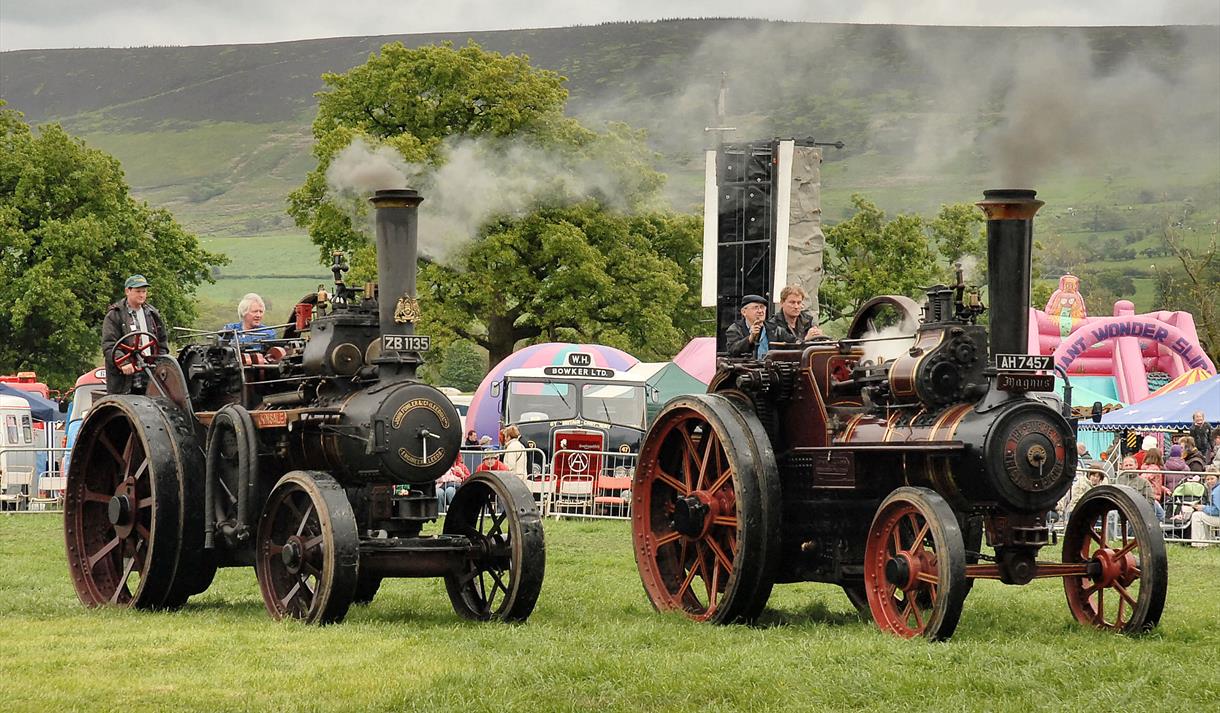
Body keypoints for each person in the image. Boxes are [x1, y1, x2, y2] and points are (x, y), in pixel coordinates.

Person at [102, 274, 169, 395]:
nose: (142, 295)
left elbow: (162, 342)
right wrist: (123, 363)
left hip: (150, 371)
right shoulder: (115, 315)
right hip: (125, 378)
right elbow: (109, 345)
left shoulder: (153, 314)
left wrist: (160, 363)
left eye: (144, 291)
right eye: (138, 291)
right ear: (127, 291)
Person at [1115, 456, 1160, 520]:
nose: (1128, 467)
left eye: (1130, 465)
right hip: (1120, 510)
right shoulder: (1118, 480)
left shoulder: (1144, 482)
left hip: (1137, 512)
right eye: (1126, 465)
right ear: (1122, 467)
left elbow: (1150, 500)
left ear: (1136, 465)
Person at [1188, 470, 1220, 547]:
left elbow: (1217, 511)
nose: (1209, 481)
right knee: (1201, 515)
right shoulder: (1216, 489)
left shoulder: (1217, 491)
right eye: (1207, 479)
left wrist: (1203, 508)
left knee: (1197, 516)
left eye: (1212, 478)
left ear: (1218, 478)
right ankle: (1208, 541)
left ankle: (1199, 544)